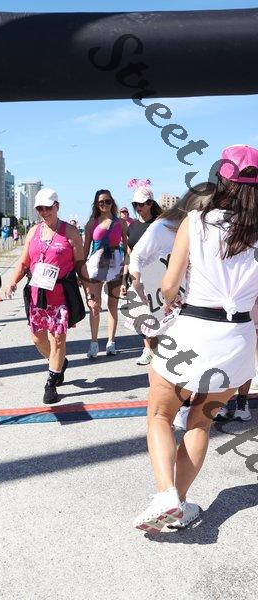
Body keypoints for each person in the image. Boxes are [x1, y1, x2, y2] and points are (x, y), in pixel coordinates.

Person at [133, 144, 258, 533]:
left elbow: (169, 285)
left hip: (193, 329)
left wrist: (169, 298)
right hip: (237, 340)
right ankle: (182, 502)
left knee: (160, 414)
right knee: (200, 422)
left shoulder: (196, 221)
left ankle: (165, 495)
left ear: (219, 179)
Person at [128, 182, 215, 431]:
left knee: (185, 353)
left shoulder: (202, 227)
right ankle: (163, 407)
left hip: (188, 298)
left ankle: (179, 406)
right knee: (163, 355)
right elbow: (137, 255)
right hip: (157, 295)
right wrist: (137, 281)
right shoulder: (163, 226)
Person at [5, 188, 99, 404]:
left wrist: (90, 294)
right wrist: (12, 282)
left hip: (61, 295)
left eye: (48, 207)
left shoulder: (70, 232)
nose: (44, 212)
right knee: (37, 338)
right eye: (40, 208)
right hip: (37, 294)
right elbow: (24, 262)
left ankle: (51, 383)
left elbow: (80, 265)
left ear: (57, 206)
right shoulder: (33, 232)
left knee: (57, 338)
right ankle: (58, 362)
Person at [83, 190, 128, 358]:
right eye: (101, 202)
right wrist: (81, 272)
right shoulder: (91, 223)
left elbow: (128, 248)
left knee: (112, 306)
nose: (104, 204)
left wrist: (125, 273)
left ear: (112, 202)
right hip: (97, 266)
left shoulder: (120, 223)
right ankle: (94, 343)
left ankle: (111, 342)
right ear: (96, 204)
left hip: (116, 265)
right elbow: (85, 249)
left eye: (107, 201)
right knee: (94, 306)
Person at [124, 179, 162, 365]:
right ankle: (148, 349)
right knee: (141, 317)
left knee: (157, 317)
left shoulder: (160, 224)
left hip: (157, 275)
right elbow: (129, 253)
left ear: (150, 203)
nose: (138, 207)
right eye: (135, 204)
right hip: (137, 277)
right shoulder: (132, 226)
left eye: (141, 204)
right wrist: (124, 278)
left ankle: (157, 350)